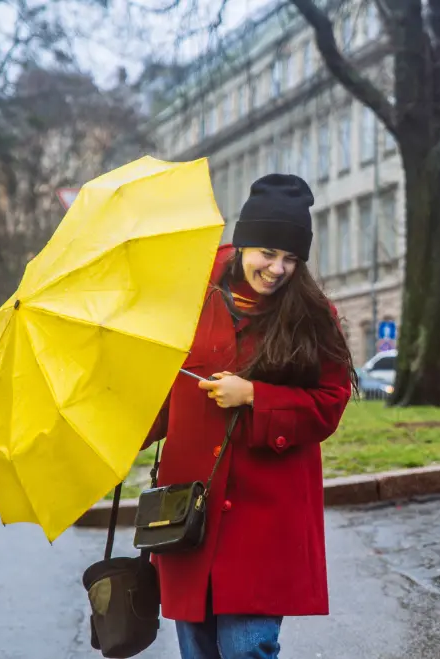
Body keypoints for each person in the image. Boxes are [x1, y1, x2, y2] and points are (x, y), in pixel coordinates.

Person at [141, 173, 357, 659]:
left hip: (266, 518)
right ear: (242, 244)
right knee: (197, 650)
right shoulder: (189, 298)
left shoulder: (313, 313)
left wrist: (255, 395)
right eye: (267, 253)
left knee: (246, 649)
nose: (278, 268)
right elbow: (162, 392)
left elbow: (329, 403)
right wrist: (124, 431)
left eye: (291, 258)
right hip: (187, 513)